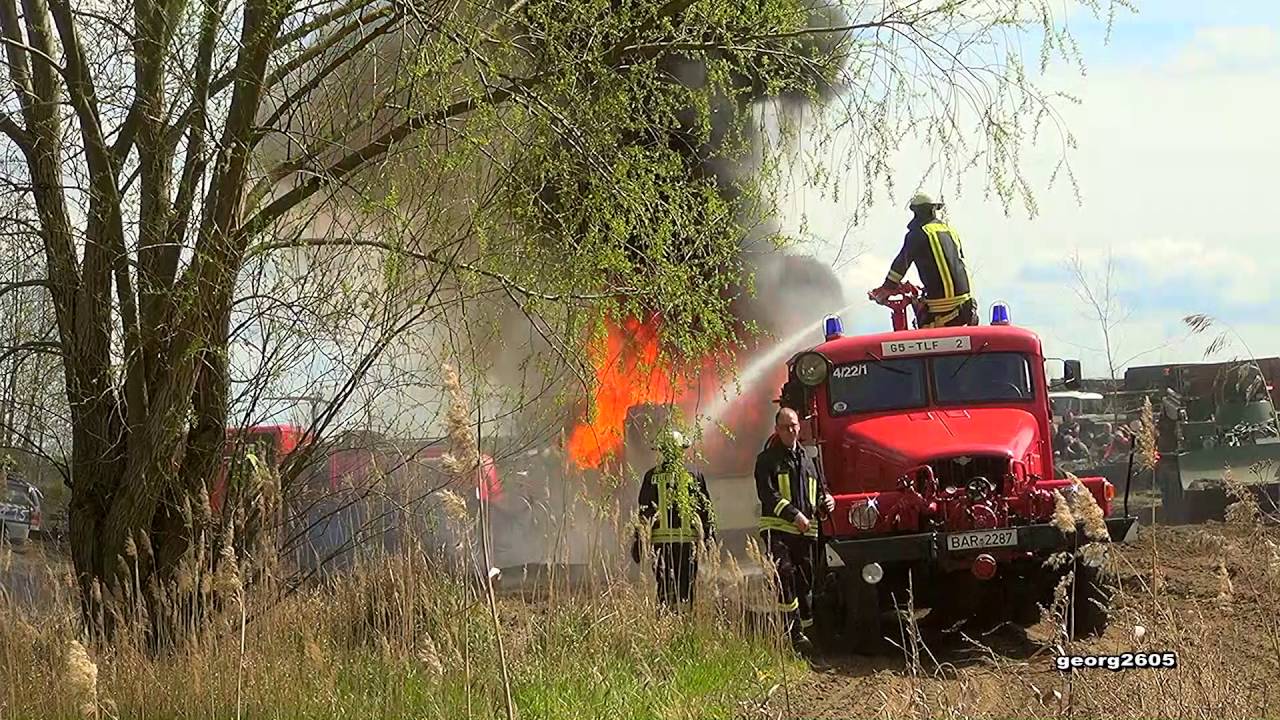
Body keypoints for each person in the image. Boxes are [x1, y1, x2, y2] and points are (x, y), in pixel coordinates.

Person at [755, 408, 835, 648]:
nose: (791, 430)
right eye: (785, 427)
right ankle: (793, 633)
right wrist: (794, 514)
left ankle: (811, 635)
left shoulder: (809, 460)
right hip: (778, 530)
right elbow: (767, 494)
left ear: (800, 427)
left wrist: (828, 501)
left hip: (806, 534)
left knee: (805, 584)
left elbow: (821, 490)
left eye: (794, 426)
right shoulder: (767, 460)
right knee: (785, 576)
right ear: (777, 430)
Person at [631, 429, 716, 608]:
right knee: (686, 591)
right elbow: (706, 511)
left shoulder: (652, 476)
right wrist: (710, 540)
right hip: (688, 545)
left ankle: (666, 626)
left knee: (665, 590)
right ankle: (684, 625)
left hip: (661, 546)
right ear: (681, 450)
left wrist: (638, 543)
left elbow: (644, 513)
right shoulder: (693, 474)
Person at [868, 192, 977, 328]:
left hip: (941, 309)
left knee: (920, 313)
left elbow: (901, 264)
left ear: (915, 212)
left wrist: (887, 288)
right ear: (933, 210)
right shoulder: (950, 231)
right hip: (966, 304)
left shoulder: (917, 234)